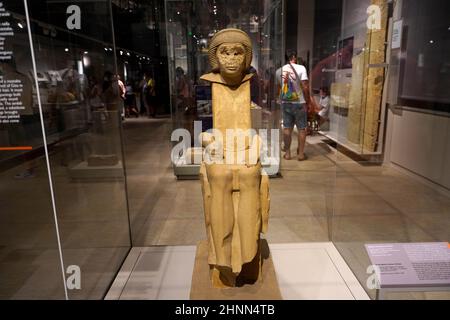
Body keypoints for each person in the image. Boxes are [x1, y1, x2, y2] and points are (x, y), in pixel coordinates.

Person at [276, 50, 312, 161]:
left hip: (286, 102)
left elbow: (279, 88)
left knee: (287, 128)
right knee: (302, 128)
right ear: (294, 57)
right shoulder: (301, 68)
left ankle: (287, 154)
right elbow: (305, 87)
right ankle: (300, 154)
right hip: (299, 103)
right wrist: (308, 101)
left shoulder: (279, 71)